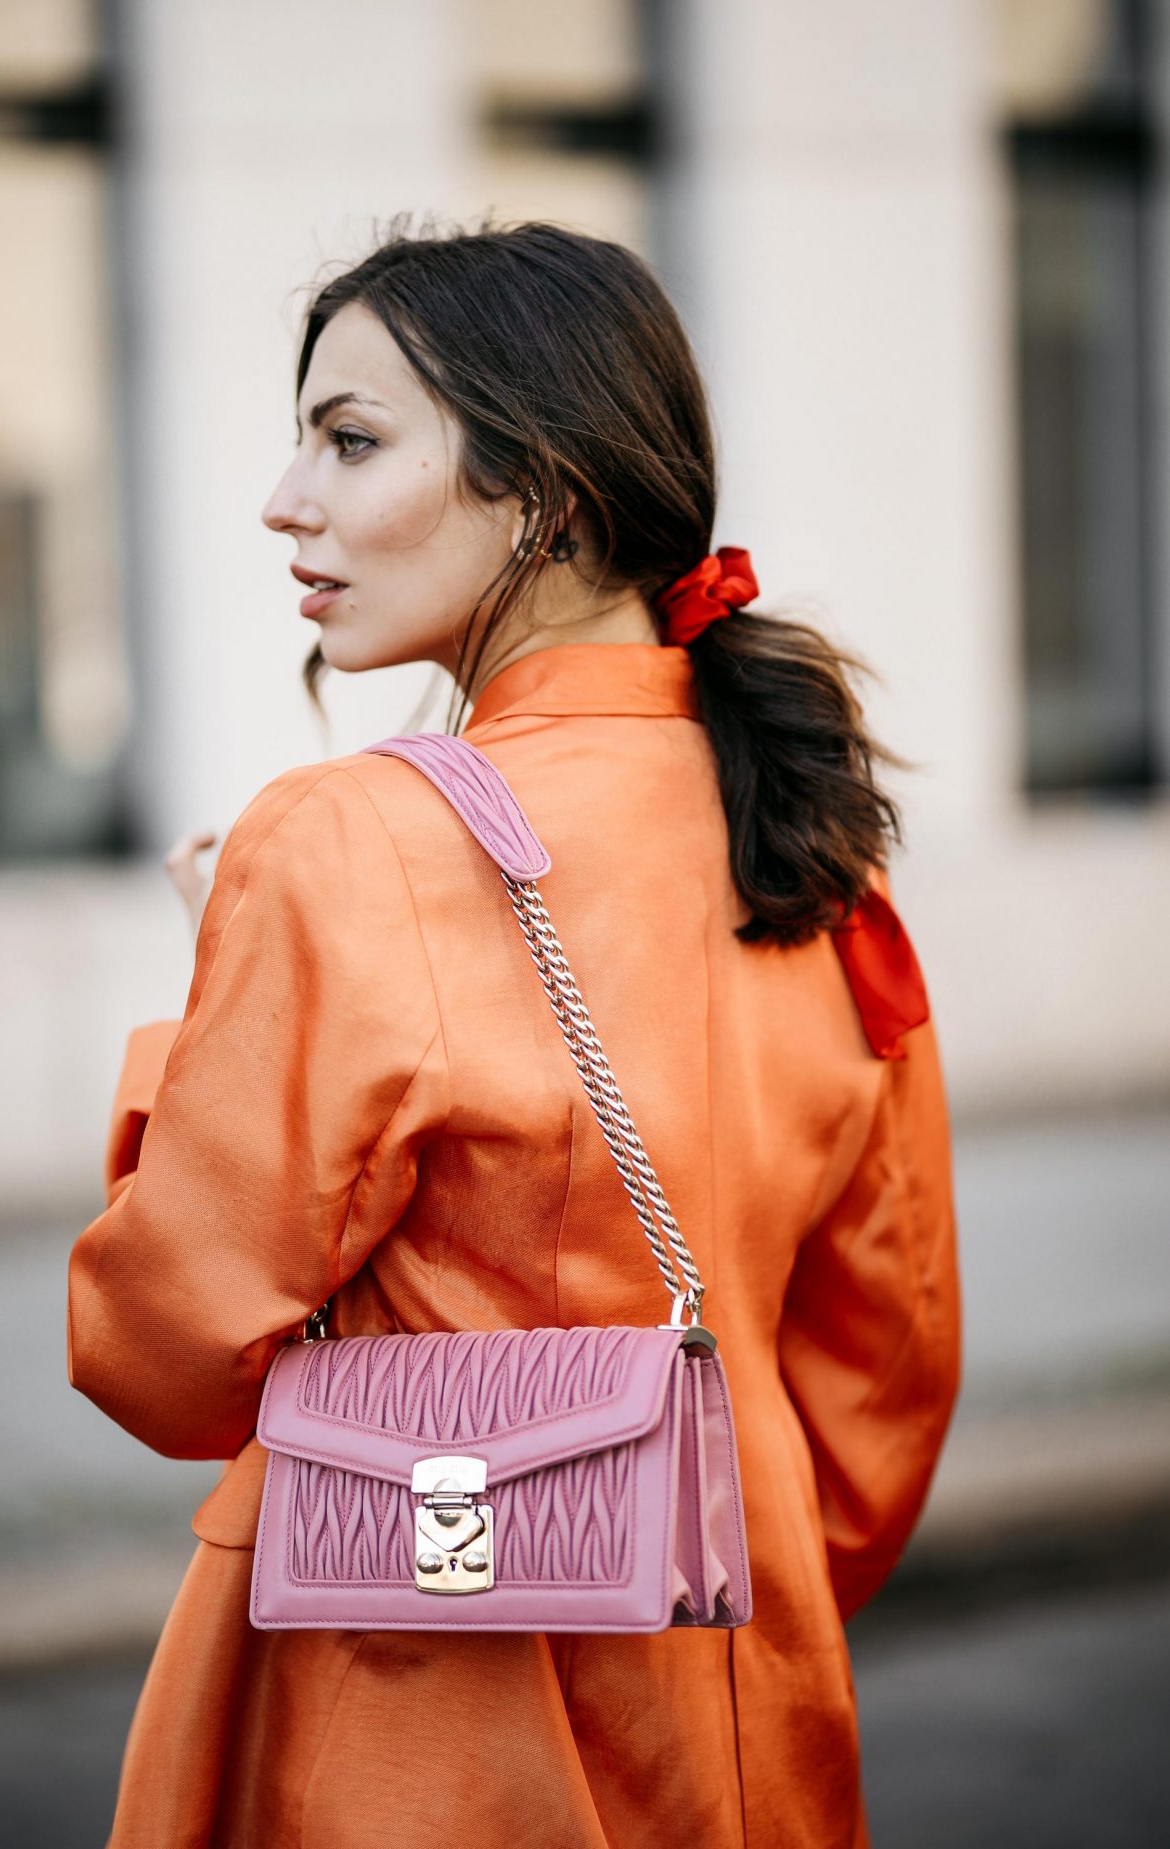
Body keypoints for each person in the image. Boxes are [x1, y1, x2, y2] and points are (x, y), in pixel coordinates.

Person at [67, 216, 961, 1848]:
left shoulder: (349, 843)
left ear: (543, 492)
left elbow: (157, 1350)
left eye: (350, 440)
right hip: (748, 1690)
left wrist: (211, 1004)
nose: (287, 497)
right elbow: (885, 1373)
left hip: (415, 1702)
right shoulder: (809, 828)